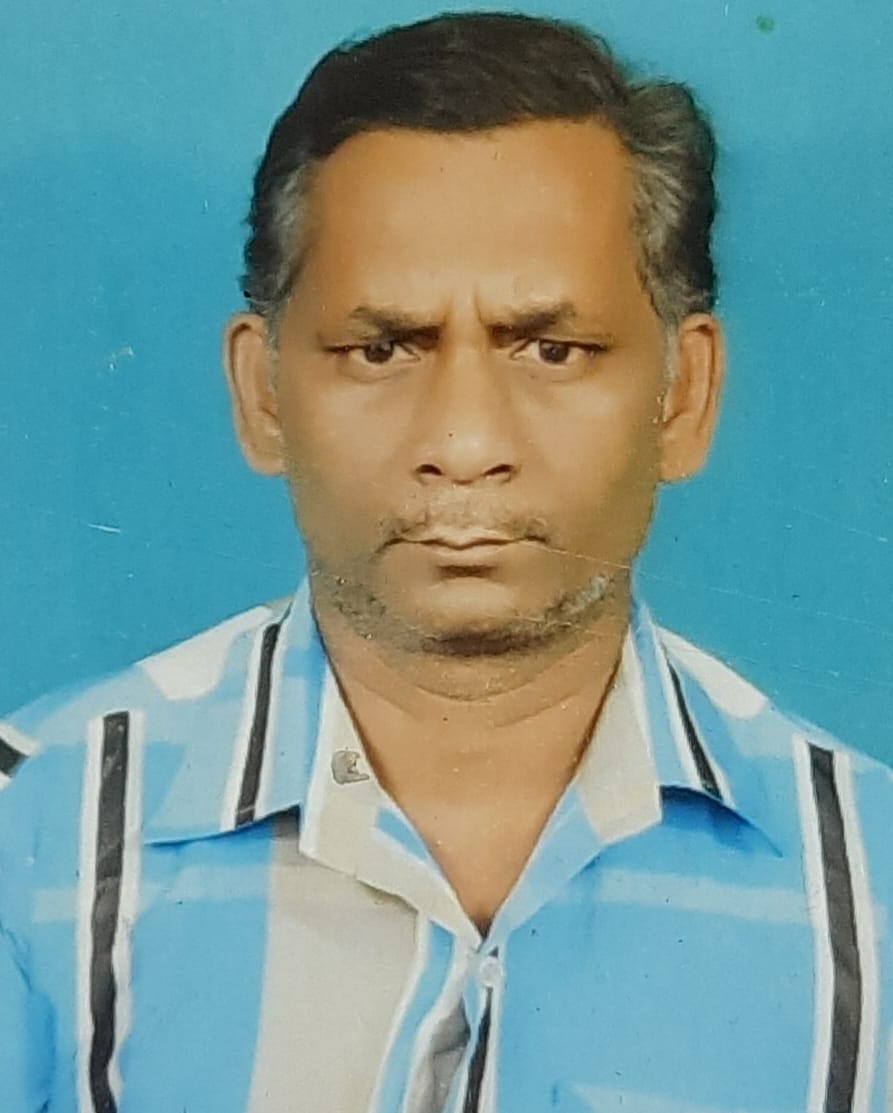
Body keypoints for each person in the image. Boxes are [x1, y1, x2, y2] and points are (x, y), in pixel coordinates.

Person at [1, 10, 891, 1112]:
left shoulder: (871, 883)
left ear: (683, 394)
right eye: (382, 348)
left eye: (551, 349)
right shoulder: (28, 829)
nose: (464, 443)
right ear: (263, 392)